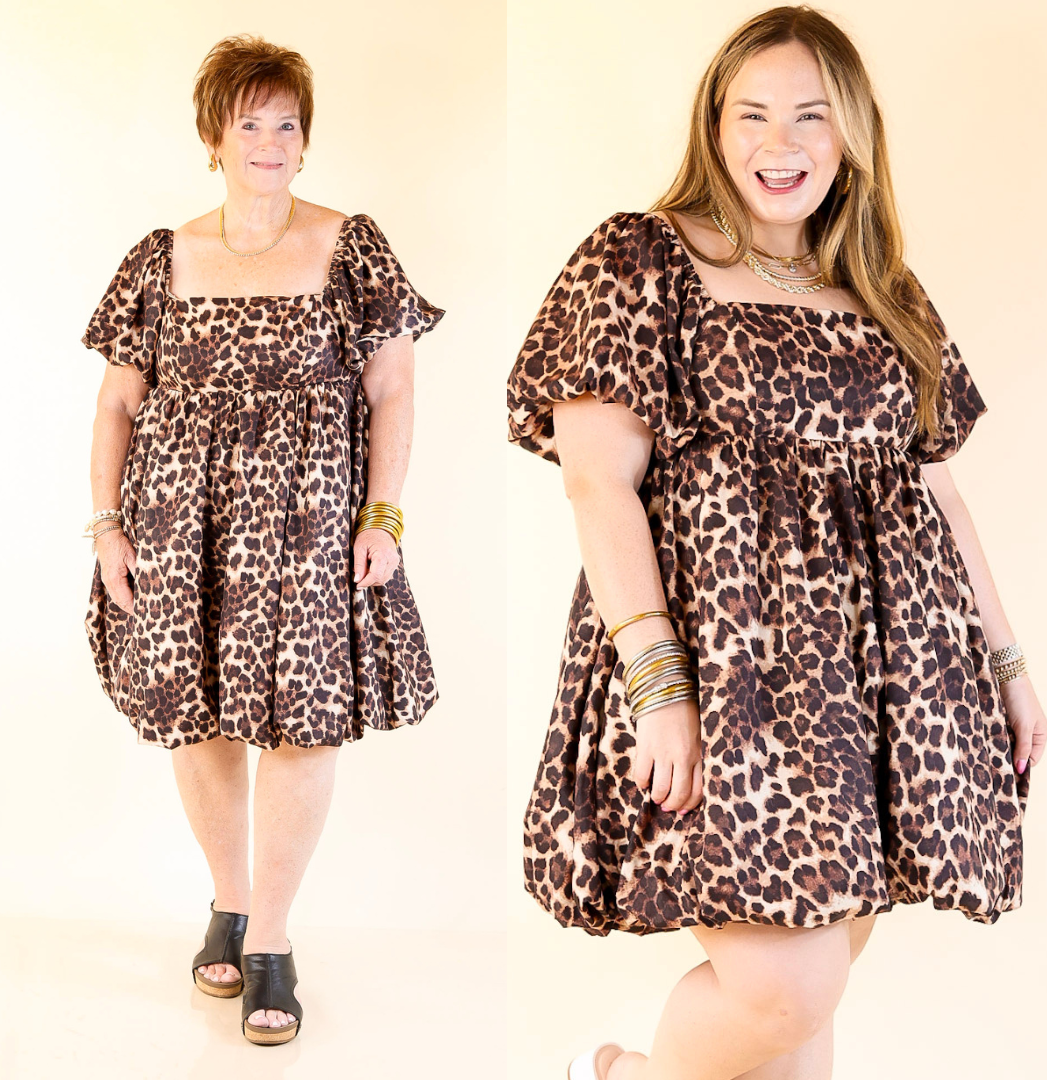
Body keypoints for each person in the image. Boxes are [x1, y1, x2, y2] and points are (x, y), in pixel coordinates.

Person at [505, 6, 1043, 1079]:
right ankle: (620, 1077)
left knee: (818, 983)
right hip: (728, 668)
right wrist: (661, 685)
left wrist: (1008, 664)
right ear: (714, 127)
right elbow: (596, 482)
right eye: (749, 114)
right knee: (783, 988)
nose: (777, 143)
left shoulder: (886, 296)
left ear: (850, 134)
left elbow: (936, 495)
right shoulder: (641, 260)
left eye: (809, 116)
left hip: (886, 682)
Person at [81, 34, 443, 1046]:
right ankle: (229, 901)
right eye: (252, 124)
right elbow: (117, 404)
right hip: (178, 523)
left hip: (311, 526)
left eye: (289, 124)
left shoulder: (353, 245)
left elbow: (394, 387)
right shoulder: (162, 256)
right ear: (214, 137)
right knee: (198, 721)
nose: (273, 142)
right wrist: (107, 525)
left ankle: (273, 943)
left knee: (301, 723)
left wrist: (384, 513)